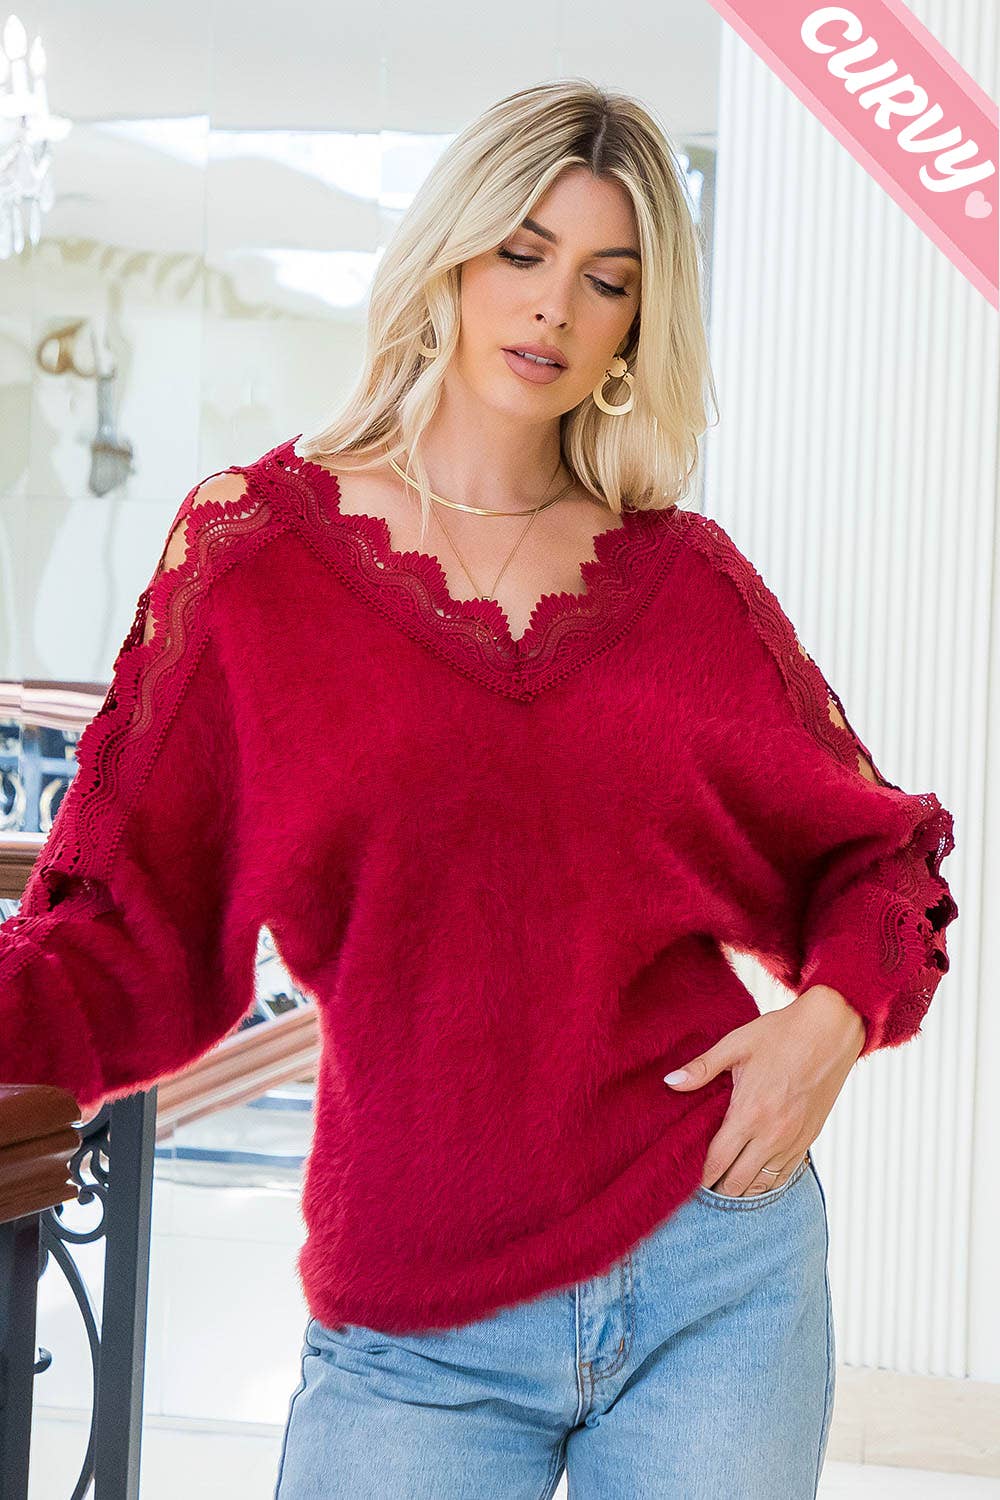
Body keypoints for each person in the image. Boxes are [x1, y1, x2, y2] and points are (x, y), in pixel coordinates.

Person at [0, 80, 958, 1499]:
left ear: (636, 327)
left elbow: (878, 859)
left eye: (607, 280)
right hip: (416, 1322)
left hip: (714, 1272)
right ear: (450, 254)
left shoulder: (683, 583)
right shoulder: (253, 559)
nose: (555, 306)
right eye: (522, 251)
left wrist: (830, 1023)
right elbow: (122, 930)